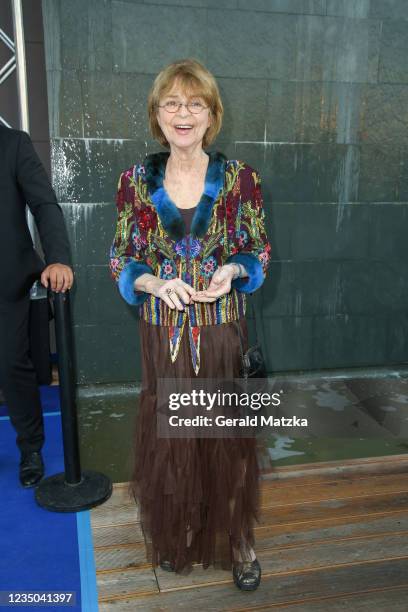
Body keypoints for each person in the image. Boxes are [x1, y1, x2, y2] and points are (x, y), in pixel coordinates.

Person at [109, 58, 271, 590]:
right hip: (162, 333)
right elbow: (120, 258)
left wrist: (234, 270)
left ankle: (237, 539)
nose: (183, 113)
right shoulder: (133, 182)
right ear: (157, 114)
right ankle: (180, 529)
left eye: (195, 103)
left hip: (224, 330)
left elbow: (258, 250)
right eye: (172, 104)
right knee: (172, 438)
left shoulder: (242, 179)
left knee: (227, 436)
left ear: (211, 114)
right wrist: (153, 283)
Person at [0, 126, 73, 487]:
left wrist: (57, 258)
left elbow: (44, 204)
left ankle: (31, 448)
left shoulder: (13, 144)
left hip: (6, 281)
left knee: (12, 363)